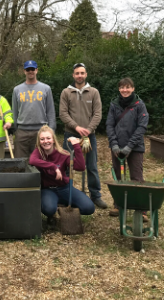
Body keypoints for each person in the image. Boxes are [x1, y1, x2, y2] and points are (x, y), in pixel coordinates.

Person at [59, 63, 107, 209]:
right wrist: (77, 127)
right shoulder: (66, 93)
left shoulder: (94, 92)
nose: (79, 75)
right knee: (65, 166)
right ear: (73, 75)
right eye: (77, 73)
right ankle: (64, 193)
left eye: (82, 73)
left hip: (88, 137)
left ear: (86, 74)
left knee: (91, 166)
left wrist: (89, 129)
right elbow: (63, 113)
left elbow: (97, 113)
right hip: (70, 135)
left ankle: (96, 195)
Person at [29, 125, 95, 224]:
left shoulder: (63, 153)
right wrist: (53, 167)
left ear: (53, 140)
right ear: (39, 141)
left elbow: (80, 167)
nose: (45, 141)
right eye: (42, 139)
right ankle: (52, 212)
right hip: (48, 189)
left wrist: (76, 146)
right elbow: (32, 160)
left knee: (89, 208)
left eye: (48, 138)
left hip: (64, 188)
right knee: (49, 209)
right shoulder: (38, 152)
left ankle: (64, 211)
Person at [106, 77, 149, 220]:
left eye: (128, 87)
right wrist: (114, 144)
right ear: (119, 89)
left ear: (133, 88)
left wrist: (130, 146)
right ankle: (118, 205)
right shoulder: (114, 104)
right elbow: (109, 125)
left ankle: (141, 209)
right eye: (122, 87)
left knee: (136, 177)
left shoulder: (139, 105)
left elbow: (142, 127)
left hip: (135, 148)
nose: (125, 90)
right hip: (117, 147)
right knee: (118, 177)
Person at [12, 60, 56, 158]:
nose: (30, 71)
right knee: (20, 162)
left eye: (32, 69)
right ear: (24, 71)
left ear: (36, 70)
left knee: (41, 162)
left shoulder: (46, 88)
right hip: (22, 132)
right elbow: (14, 111)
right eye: (28, 69)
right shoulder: (17, 89)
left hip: (41, 131)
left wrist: (51, 131)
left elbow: (50, 111)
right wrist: (15, 130)